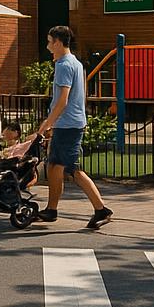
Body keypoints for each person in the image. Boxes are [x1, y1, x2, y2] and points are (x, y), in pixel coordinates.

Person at [35, 25, 112, 229]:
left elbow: (62, 99)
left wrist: (47, 123)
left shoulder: (63, 65)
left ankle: (101, 209)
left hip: (68, 124)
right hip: (69, 122)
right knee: (54, 167)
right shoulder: (76, 63)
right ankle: (51, 210)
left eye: (50, 42)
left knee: (73, 169)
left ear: (59, 43)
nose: (48, 46)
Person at [1, 121, 39, 188]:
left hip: (17, 169)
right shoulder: (8, 148)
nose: (4, 135)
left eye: (8, 130)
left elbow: (34, 138)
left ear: (15, 132)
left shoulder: (24, 145)